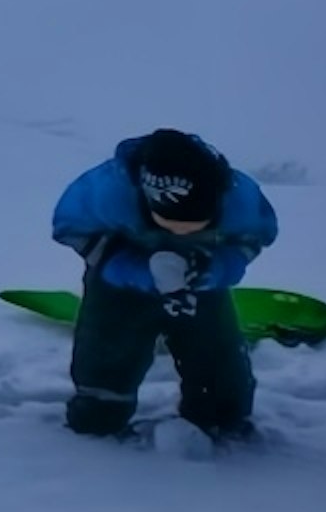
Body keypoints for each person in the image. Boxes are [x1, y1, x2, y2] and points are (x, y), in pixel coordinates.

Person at [50, 129, 279, 444]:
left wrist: (218, 268)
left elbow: (255, 237)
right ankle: (99, 418)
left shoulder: (238, 199)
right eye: (169, 225)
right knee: (108, 352)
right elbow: (70, 228)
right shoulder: (108, 191)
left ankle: (219, 418)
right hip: (119, 283)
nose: (180, 233)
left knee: (216, 352)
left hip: (200, 280)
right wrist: (132, 268)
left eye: (194, 227)